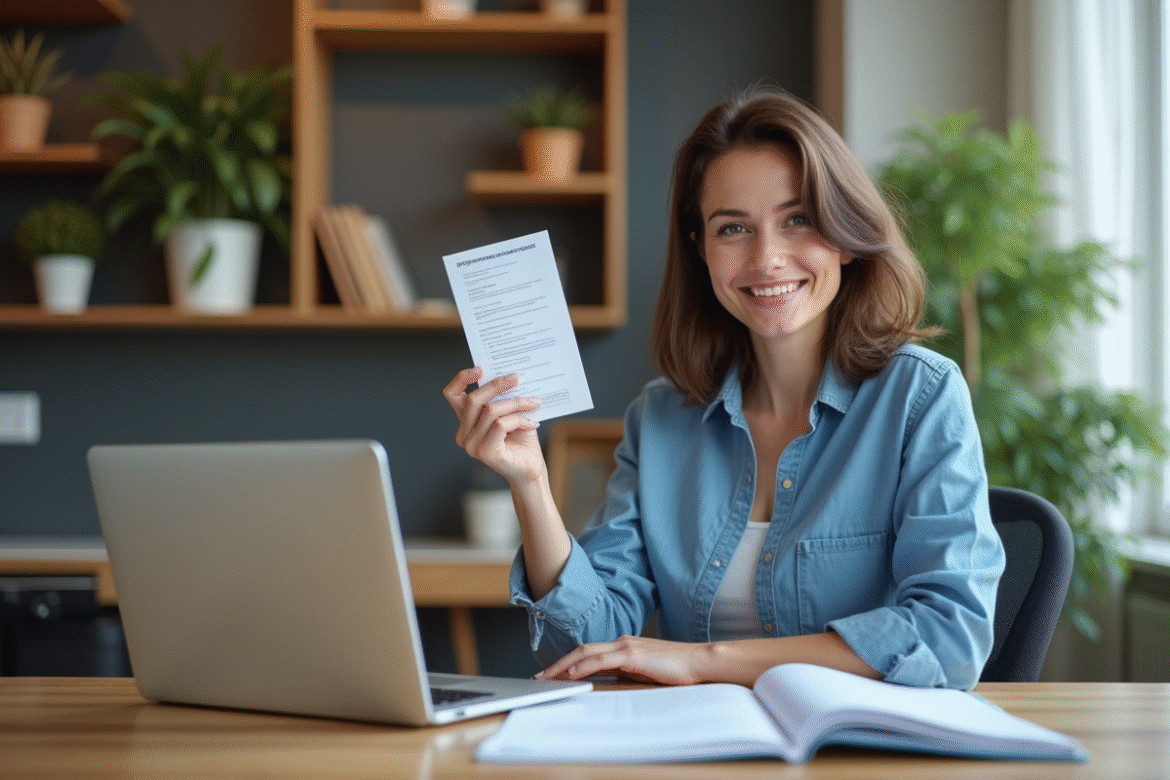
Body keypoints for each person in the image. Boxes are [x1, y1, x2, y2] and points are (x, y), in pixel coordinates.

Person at [443, 87, 1005, 691]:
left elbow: (949, 638)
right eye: (733, 228)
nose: (767, 259)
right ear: (701, 248)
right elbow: (591, 646)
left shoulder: (921, 398)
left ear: (844, 235)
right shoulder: (661, 418)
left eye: (799, 220)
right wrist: (528, 481)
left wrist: (703, 660)